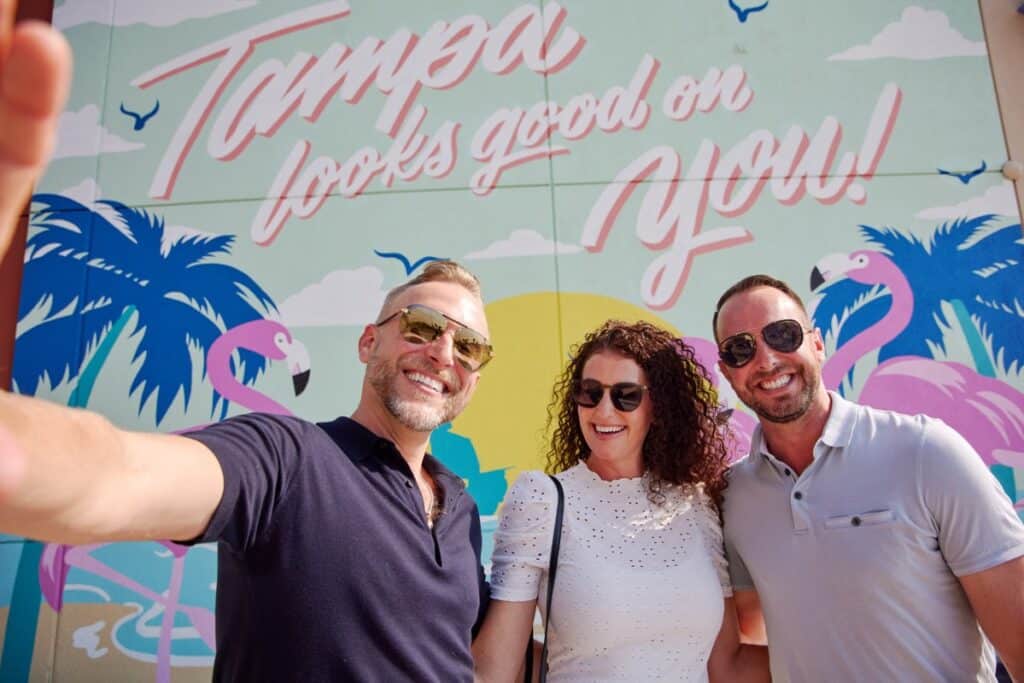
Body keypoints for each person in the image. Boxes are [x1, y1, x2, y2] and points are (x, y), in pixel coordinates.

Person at [0, 7, 493, 680]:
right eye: (424, 327)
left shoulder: (462, 509)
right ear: (367, 342)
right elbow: (119, 473)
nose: (444, 354)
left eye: (470, 347)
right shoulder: (287, 458)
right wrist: (19, 453)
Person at [712, 274, 1024, 682]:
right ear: (727, 372)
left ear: (817, 344)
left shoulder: (926, 453)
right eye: (740, 349)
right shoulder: (735, 496)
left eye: (783, 335)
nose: (767, 360)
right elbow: (758, 640)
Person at [473, 320, 769, 682]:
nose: (603, 411)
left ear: (658, 407)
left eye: (625, 395)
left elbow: (726, 667)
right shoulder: (542, 500)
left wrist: (827, 651)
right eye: (590, 393)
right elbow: (496, 671)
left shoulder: (696, 505)